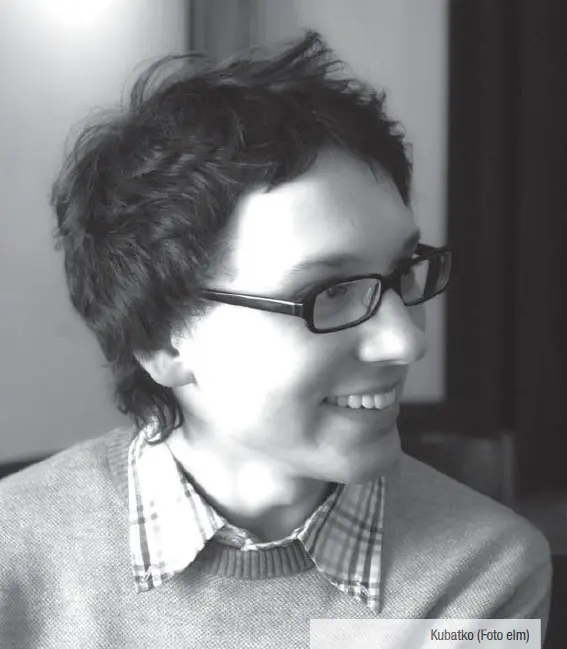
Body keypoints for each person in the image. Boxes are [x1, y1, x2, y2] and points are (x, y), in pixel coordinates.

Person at [0, 30, 551, 648]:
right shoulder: (15, 557)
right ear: (163, 343)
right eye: (329, 291)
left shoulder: (484, 573)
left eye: (400, 273)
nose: (404, 341)